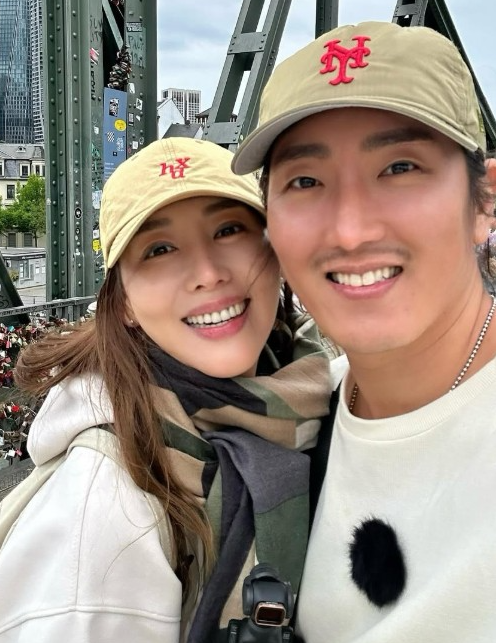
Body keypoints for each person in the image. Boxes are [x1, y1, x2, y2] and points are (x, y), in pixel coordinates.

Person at [0, 138, 337, 642]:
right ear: (124, 305)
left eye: (229, 230)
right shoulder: (103, 514)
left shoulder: (326, 390)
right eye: (159, 250)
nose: (208, 274)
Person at [232, 21, 496, 643]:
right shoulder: (303, 413)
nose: (350, 231)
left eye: (400, 167)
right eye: (304, 181)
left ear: (486, 202)